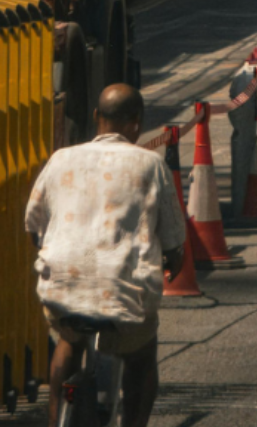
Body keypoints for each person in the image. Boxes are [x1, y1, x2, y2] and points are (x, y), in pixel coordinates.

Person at [26, 85, 186, 427]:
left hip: (62, 288)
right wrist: (174, 261)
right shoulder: (150, 164)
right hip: (124, 294)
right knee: (142, 357)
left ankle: (55, 420)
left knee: (68, 341)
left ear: (96, 116)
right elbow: (174, 238)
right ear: (137, 122)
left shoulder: (60, 160)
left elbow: (33, 224)